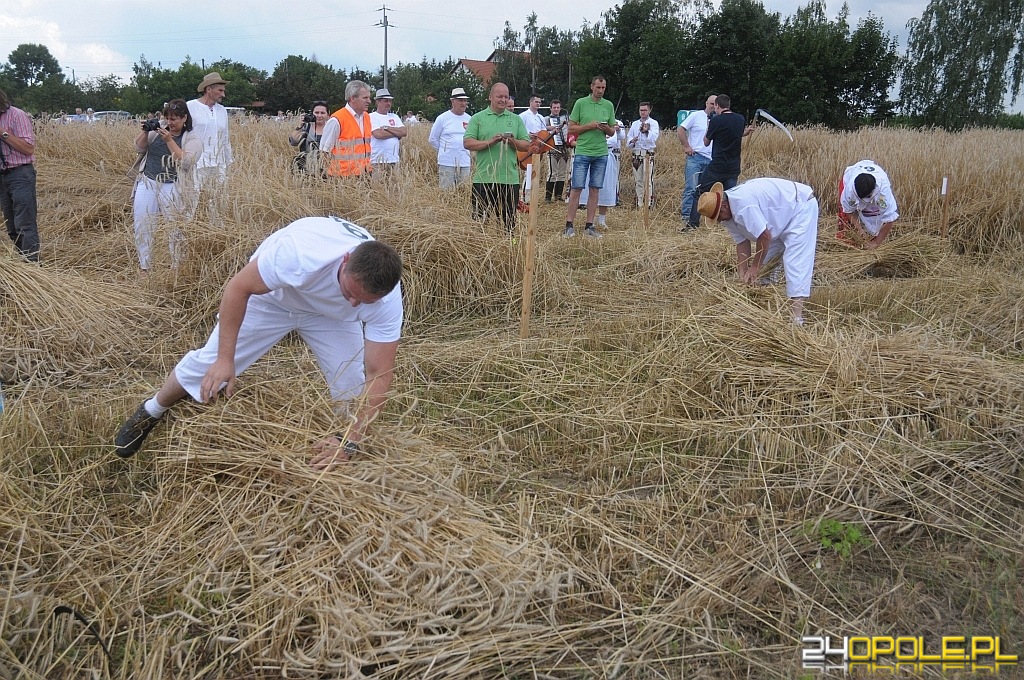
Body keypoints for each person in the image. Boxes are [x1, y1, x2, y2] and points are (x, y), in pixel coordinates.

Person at [113, 215, 404, 470]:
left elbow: (379, 372)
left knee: (351, 387)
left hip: (330, 318)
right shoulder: (300, 254)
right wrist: (226, 360)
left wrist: (350, 441)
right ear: (344, 262)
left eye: (363, 302)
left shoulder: (386, 301)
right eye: (349, 292)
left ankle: (343, 449)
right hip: (273, 300)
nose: (354, 304)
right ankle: (151, 411)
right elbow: (238, 289)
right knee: (209, 366)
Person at [697, 178, 819, 325]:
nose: (719, 222)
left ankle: (796, 318)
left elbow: (764, 236)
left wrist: (754, 267)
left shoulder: (743, 206)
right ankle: (765, 306)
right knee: (767, 268)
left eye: (718, 217)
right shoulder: (726, 213)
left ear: (724, 207)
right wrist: (742, 271)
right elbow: (742, 242)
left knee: (795, 262)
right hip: (778, 218)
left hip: (800, 207)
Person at [130, 99, 202, 271]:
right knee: (143, 223)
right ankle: (145, 266)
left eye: (175, 119)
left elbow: (185, 162)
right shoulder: (157, 131)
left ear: (184, 118)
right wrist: (146, 131)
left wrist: (170, 141)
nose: (170, 122)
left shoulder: (192, 138)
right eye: (168, 118)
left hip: (172, 185)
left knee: (174, 227)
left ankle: (177, 266)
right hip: (148, 181)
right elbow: (138, 148)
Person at [463, 82, 535, 234]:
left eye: (506, 97)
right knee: (479, 222)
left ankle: (511, 249)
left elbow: (526, 145)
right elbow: (467, 143)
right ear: (490, 97)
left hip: (509, 179)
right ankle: (480, 249)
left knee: (509, 222)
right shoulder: (478, 118)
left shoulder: (516, 119)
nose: (503, 100)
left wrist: (512, 141)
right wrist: (491, 142)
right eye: (499, 96)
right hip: (484, 179)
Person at [688, 94, 754, 228]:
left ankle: (692, 224)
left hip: (717, 166)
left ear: (717, 106)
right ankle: (734, 226)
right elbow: (735, 134)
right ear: (729, 105)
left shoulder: (716, 121)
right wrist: (746, 133)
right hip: (734, 166)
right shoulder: (740, 119)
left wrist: (709, 130)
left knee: (699, 193)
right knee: (731, 198)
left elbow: (706, 143)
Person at [563, 76, 617, 239]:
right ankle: (569, 225)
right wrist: (590, 126)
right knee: (577, 188)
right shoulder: (580, 103)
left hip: (601, 152)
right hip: (583, 151)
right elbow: (571, 128)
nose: (601, 90)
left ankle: (589, 225)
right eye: (598, 87)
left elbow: (613, 131)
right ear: (591, 87)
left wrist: (605, 127)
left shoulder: (608, 105)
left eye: (603, 88)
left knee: (595, 189)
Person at [187, 72, 234, 221]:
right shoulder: (190, 107)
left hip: (218, 163)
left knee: (218, 202)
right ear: (209, 89)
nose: (223, 94)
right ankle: (182, 234)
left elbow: (225, 138)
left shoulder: (222, 111)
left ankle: (216, 233)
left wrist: (228, 162)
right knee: (190, 202)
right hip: (197, 163)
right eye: (220, 90)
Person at [0, 88, 40, 262]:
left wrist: (4, 133)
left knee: (25, 224)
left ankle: (32, 266)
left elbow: (28, 148)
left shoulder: (16, 115)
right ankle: (22, 262)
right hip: (2, 176)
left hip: (20, 174)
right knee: (11, 227)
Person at [837, 160, 898, 249]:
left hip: (878, 187)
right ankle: (846, 244)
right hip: (853, 173)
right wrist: (860, 230)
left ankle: (873, 238)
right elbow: (848, 211)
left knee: (874, 214)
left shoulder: (883, 194)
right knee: (845, 220)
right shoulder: (849, 190)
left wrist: (876, 243)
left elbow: (889, 219)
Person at [577, 119, 624, 229]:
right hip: (591, 154)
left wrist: (613, 131)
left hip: (607, 155)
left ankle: (602, 219)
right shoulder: (592, 121)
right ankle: (590, 220)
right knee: (591, 188)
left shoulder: (615, 123)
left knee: (606, 188)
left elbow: (614, 140)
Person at [678, 95, 716, 229]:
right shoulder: (696, 116)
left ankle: (701, 216)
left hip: (711, 159)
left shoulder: (719, 119)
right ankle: (686, 216)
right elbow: (681, 129)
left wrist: (745, 132)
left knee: (706, 190)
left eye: (715, 104)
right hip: (696, 157)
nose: (713, 106)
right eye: (711, 103)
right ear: (706, 103)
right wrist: (686, 146)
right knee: (691, 188)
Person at [320, 81, 373, 178]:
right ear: (352, 98)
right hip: (342, 177)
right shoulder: (336, 120)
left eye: (369, 97)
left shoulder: (367, 117)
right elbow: (325, 151)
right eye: (365, 98)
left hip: (365, 174)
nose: (369, 101)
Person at [428, 87, 473, 189]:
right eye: (460, 100)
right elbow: (433, 139)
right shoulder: (442, 118)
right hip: (447, 162)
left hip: (464, 162)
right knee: (446, 191)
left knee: (464, 191)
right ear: (453, 101)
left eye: (465, 100)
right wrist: (445, 150)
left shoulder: (470, 119)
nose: (463, 103)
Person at [626, 102, 660, 208]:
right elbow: (628, 139)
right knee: (638, 180)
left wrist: (646, 132)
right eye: (641, 110)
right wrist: (632, 140)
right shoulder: (635, 124)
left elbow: (654, 137)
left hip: (647, 154)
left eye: (645, 110)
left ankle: (648, 203)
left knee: (648, 180)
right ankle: (639, 203)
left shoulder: (653, 123)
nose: (643, 112)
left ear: (649, 111)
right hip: (637, 154)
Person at [518, 95, 550, 205]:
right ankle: (524, 198)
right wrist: (528, 136)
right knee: (528, 172)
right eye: (536, 102)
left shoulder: (541, 117)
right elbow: (519, 132)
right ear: (531, 102)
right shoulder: (523, 116)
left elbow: (544, 132)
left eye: (539, 102)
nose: (538, 104)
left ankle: (532, 196)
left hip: (539, 148)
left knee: (534, 172)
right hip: (528, 147)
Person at [368, 88, 407, 176]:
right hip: (378, 160)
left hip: (394, 159)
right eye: (385, 101)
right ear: (378, 102)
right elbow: (378, 134)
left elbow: (404, 132)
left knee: (394, 186)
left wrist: (387, 128)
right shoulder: (372, 116)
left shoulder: (394, 116)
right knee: (378, 187)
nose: (388, 103)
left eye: (390, 101)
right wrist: (396, 133)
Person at [288, 101, 329, 174]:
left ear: (328, 115)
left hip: (326, 168)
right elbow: (293, 142)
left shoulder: (331, 128)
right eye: (316, 113)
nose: (319, 115)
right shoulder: (306, 127)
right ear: (312, 114)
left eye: (322, 113)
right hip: (306, 167)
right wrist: (300, 126)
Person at [544, 99, 570, 202]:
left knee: (562, 172)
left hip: (563, 148)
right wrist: (551, 128)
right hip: (552, 147)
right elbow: (542, 129)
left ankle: (558, 196)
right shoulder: (546, 119)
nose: (556, 109)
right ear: (550, 108)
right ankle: (548, 196)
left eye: (558, 107)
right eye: (554, 107)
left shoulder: (565, 118)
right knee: (552, 172)